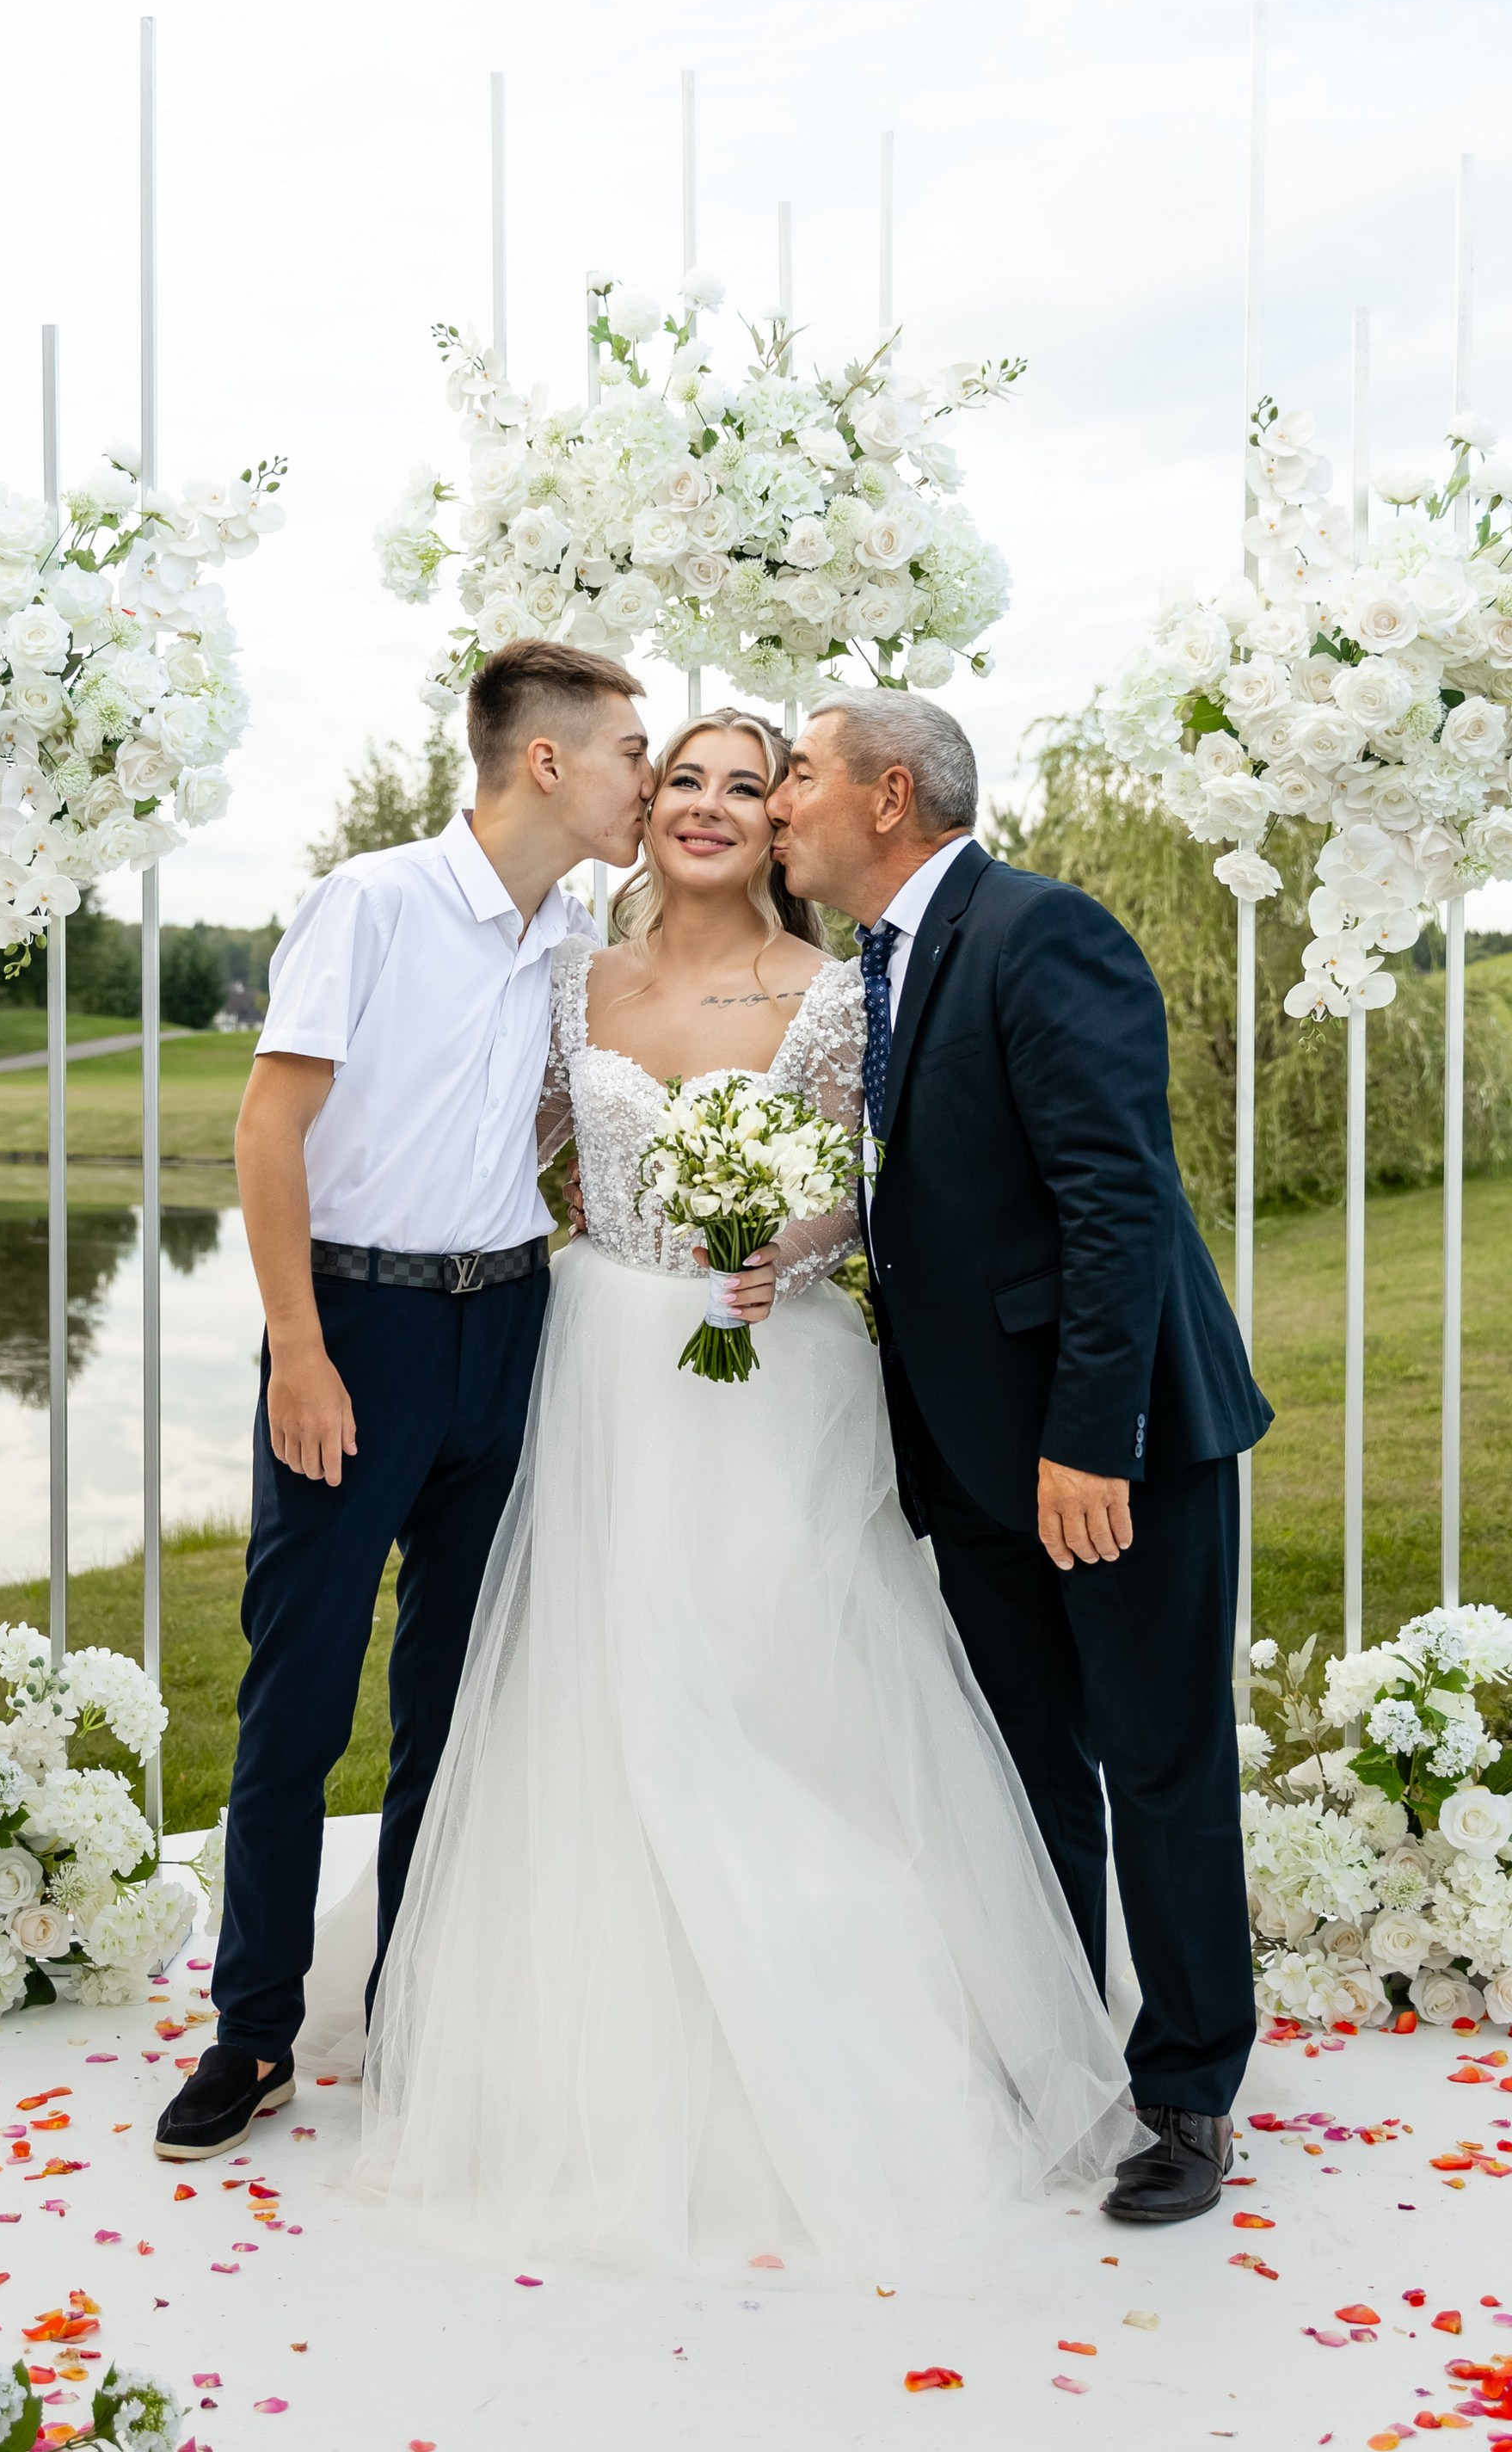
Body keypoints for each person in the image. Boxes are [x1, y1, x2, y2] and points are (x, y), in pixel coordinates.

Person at [299, 705, 1144, 2276]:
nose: (704, 803)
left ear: (783, 826)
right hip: (607, 1363)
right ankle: (588, 2055)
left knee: (783, 1693)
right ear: (646, 807)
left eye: (746, 785)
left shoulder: (837, 991)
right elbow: (514, 1140)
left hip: (783, 1380)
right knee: (613, 1695)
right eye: (679, 776)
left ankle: (870, 2043)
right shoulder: (570, 978)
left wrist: (790, 1239)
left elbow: (871, 1178)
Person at [766, 687, 1272, 2228]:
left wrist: (1087, 1446)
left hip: (1110, 1447)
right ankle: (1065, 2052)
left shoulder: (1043, 932)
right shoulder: (885, 960)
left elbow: (1117, 1206)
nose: (780, 802)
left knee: (1157, 1760)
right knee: (1027, 1768)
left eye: (798, 774)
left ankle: (1187, 2089)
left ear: (890, 797)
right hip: (974, 1458)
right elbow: (939, 1186)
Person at [153, 639, 654, 2165]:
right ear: (549, 762)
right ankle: (252, 2034)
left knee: (454, 1695)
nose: (649, 773)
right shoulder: (370, 901)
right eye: (634, 749)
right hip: (355, 1333)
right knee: (298, 1695)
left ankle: (415, 2001)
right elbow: (269, 1124)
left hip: (510, 1325)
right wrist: (298, 1349)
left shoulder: (573, 928)